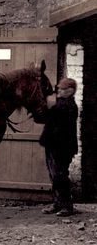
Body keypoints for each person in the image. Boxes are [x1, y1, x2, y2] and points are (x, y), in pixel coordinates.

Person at [39, 77, 79, 216]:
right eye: (59, 88)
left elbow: (49, 117)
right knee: (54, 176)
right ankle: (58, 203)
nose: (59, 91)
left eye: (62, 89)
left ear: (70, 91)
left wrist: (46, 108)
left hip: (62, 147)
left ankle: (67, 206)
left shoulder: (68, 106)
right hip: (53, 145)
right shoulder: (61, 103)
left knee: (60, 176)